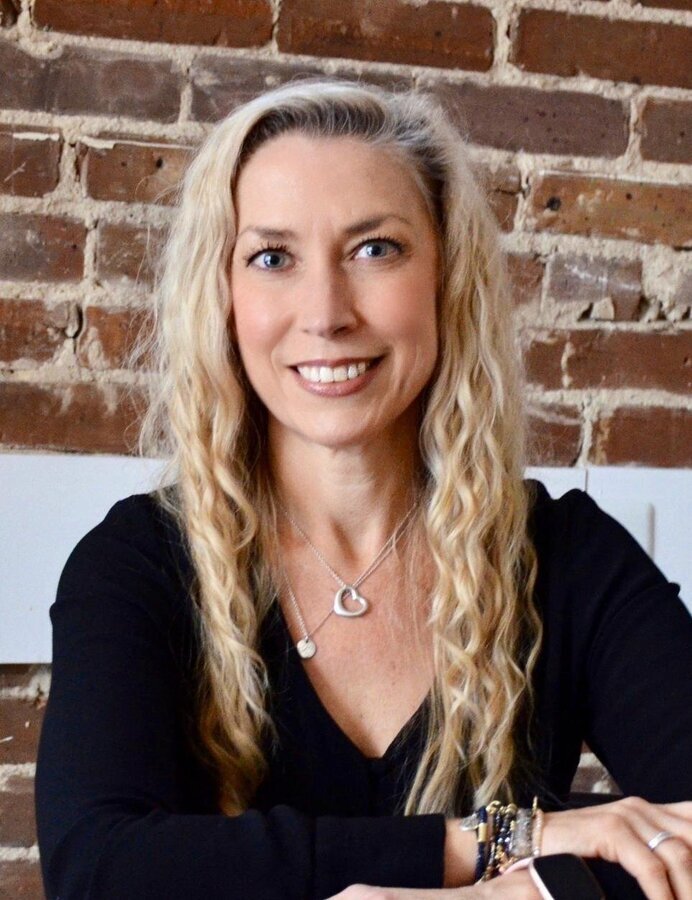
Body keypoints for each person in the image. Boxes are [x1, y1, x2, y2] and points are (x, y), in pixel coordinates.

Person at [35, 78, 692, 900]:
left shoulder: (568, 558)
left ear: (446, 279)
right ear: (223, 298)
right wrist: (499, 843)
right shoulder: (138, 562)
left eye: (375, 249)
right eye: (272, 258)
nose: (326, 312)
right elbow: (100, 869)